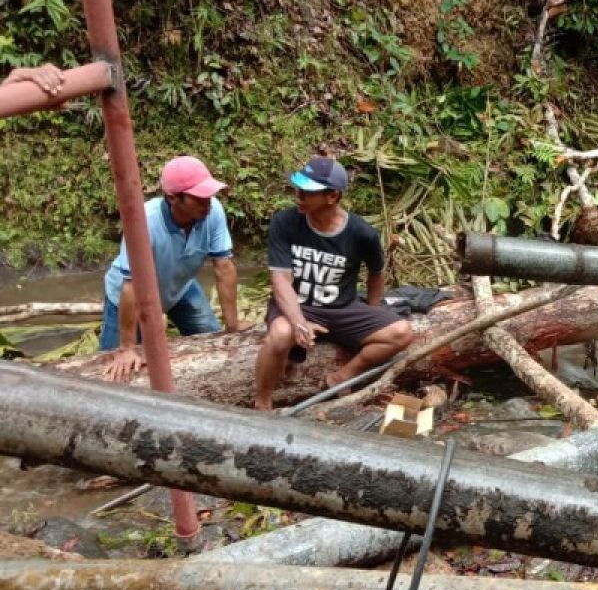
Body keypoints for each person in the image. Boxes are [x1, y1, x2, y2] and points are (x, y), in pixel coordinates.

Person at [254, 156, 414, 411]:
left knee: (401, 332)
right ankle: (262, 401)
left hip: (341, 309)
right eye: (298, 188)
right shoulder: (285, 222)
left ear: (332, 197)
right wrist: (298, 322)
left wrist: (374, 308)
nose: (299, 195)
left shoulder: (363, 234)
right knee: (281, 335)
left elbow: (376, 272)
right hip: (296, 304)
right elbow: (281, 279)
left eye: (308, 191)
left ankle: (342, 376)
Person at [102, 156, 248, 381]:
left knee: (214, 340)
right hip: (131, 296)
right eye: (199, 198)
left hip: (180, 288)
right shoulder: (144, 223)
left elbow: (224, 267)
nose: (207, 203)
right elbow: (130, 286)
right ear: (173, 198)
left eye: (209, 196)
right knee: (112, 368)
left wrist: (233, 324)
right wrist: (127, 348)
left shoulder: (213, 212)